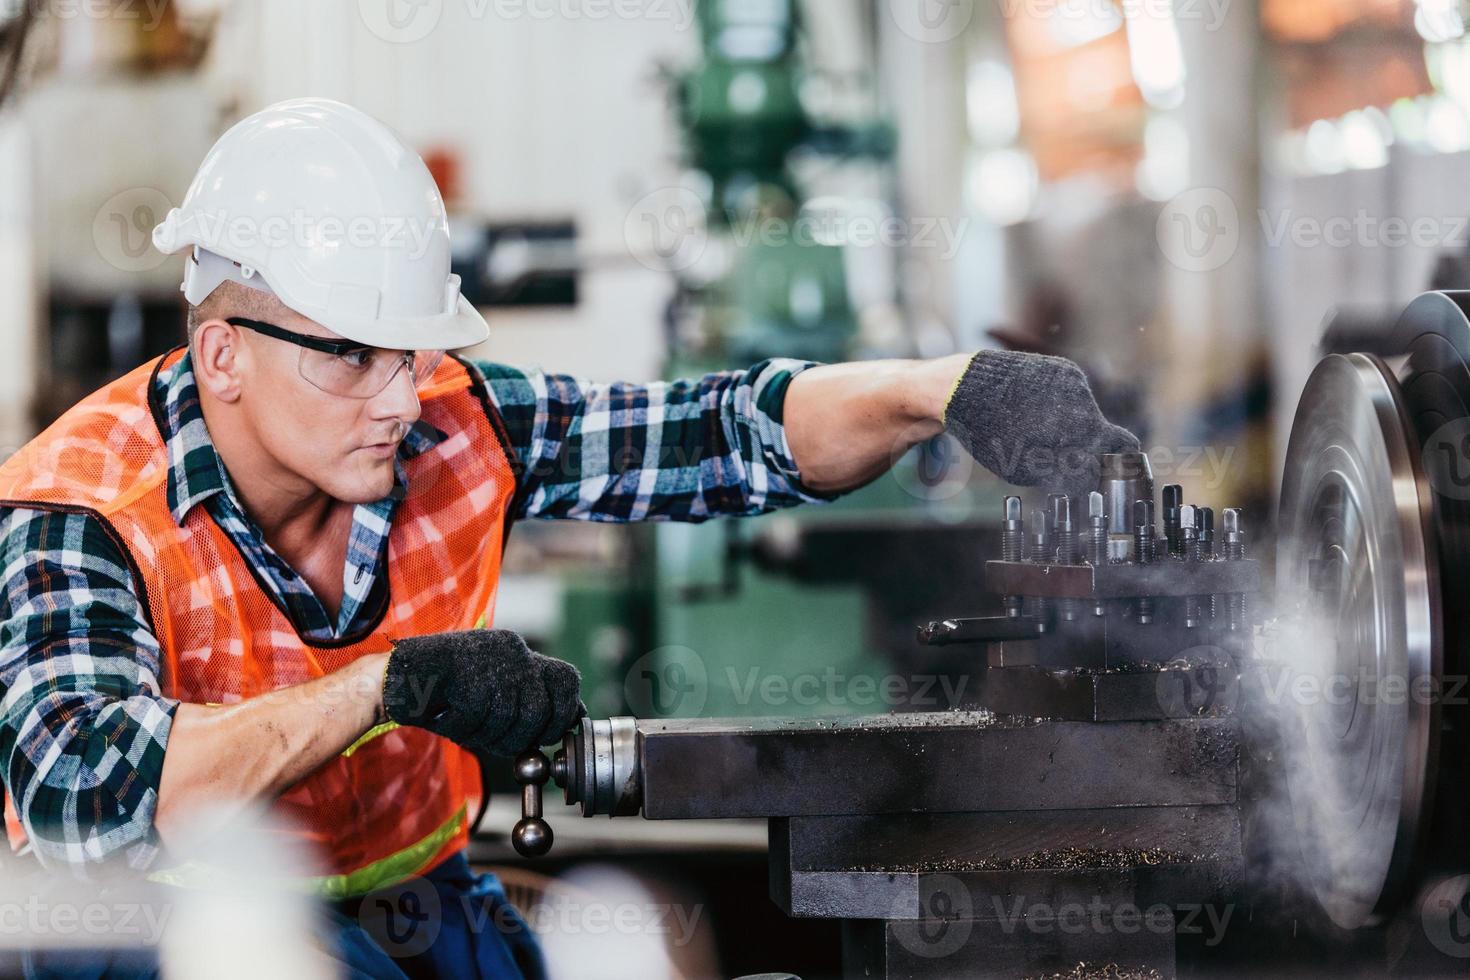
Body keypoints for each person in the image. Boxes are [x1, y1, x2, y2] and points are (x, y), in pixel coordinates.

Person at [0, 98, 1137, 978]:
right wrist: (386, 684)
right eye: (350, 352)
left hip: (410, 897)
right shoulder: (83, 510)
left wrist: (942, 389)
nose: (400, 397)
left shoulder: (454, 420)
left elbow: (717, 430)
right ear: (222, 356)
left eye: (411, 350)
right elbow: (83, 799)